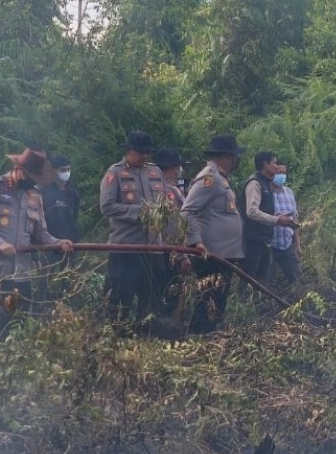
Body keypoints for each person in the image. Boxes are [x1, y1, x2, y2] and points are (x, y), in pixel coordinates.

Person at [0, 148, 73, 355]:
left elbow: (41, 233)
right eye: (30, 177)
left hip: (21, 272)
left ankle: (4, 364)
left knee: (14, 322)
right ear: (18, 170)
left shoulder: (35, 195)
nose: (33, 181)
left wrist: (58, 242)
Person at [99, 131, 165, 326]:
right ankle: (116, 333)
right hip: (126, 246)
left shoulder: (155, 172)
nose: (145, 156)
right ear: (129, 151)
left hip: (153, 246)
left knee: (153, 293)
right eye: (141, 152)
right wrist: (140, 212)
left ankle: (146, 331)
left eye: (148, 153)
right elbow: (107, 207)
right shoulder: (115, 173)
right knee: (120, 295)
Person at [181, 134, 245, 333]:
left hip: (224, 252)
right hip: (212, 252)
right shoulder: (210, 178)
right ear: (227, 157)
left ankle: (211, 329)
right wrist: (195, 241)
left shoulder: (221, 179)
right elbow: (188, 210)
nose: (236, 161)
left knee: (219, 293)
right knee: (208, 294)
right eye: (234, 156)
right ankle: (201, 331)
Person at [238, 151, 297, 292]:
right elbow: (251, 211)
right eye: (274, 163)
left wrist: (276, 215)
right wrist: (276, 220)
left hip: (264, 239)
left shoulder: (266, 183)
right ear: (265, 164)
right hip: (254, 240)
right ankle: (242, 308)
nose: (277, 167)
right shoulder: (255, 183)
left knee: (261, 281)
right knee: (249, 279)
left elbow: (262, 209)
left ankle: (257, 310)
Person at [36, 154, 81, 311]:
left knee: (68, 281)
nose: (67, 173)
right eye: (63, 170)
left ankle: (67, 313)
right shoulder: (43, 192)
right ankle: (40, 314)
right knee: (44, 282)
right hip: (48, 244)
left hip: (69, 243)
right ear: (54, 171)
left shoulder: (73, 193)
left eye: (69, 169)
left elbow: (74, 216)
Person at [153, 147, 191, 316]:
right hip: (171, 250)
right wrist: (182, 255)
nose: (179, 171)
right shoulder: (169, 191)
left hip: (156, 248)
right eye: (177, 167)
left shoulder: (152, 187)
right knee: (171, 289)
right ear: (172, 168)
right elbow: (174, 225)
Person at [269, 160, 302, 287]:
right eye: (279, 172)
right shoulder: (264, 192)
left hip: (287, 244)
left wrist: (298, 245)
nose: (282, 175)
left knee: (297, 279)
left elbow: (295, 219)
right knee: (267, 283)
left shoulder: (289, 192)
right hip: (270, 245)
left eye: (284, 172)